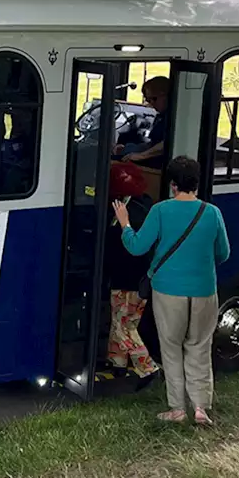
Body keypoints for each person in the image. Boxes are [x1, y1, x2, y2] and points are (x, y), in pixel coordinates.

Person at [114, 156, 230, 424]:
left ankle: (177, 408)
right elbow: (223, 253)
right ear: (197, 184)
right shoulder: (212, 213)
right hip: (204, 291)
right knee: (200, 346)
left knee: (171, 347)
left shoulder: (161, 211)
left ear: (172, 185)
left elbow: (136, 247)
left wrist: (125, 223)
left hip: (168, 291)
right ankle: (201, 407)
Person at [104, 163, 158, 382]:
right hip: (143, 278)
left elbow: (112, 243)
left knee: (121, 325)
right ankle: (117, 362)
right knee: (128, 321)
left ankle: (148, 368)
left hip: (123, 277)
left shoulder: (119, 211)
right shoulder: (146, 204)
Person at [116, 76, 169, 168]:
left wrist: (141, 156)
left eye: (154, 99)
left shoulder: (176, 118)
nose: (151, 104)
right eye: (148, 100)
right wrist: (126, 149)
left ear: (166, 95)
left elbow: (167, 144)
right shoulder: (162, 116)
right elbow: (154, 144)